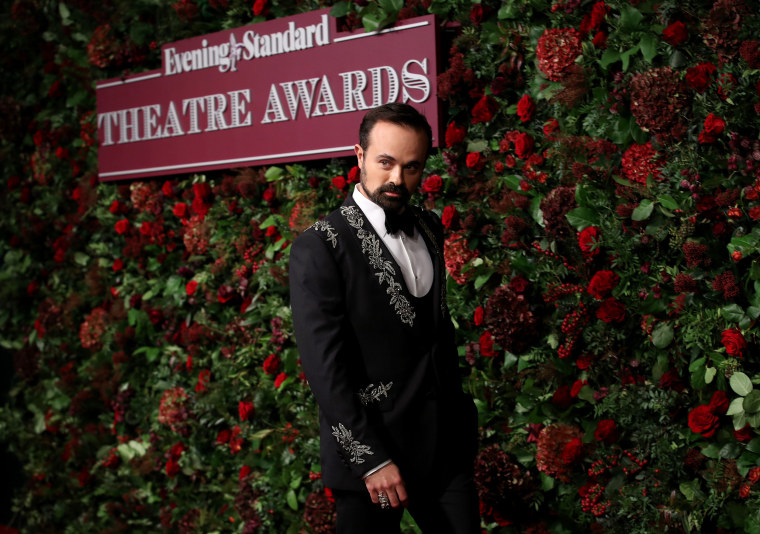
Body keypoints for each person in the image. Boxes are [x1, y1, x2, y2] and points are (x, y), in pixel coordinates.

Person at [289, 103, 479, 533]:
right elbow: (325, 370)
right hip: (373, 456)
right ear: (359, 155)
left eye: (412, 167)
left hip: (445, 451)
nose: (398, 179)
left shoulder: (430, 228)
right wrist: (370, 459)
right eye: (385, 162)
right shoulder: (320, 247)